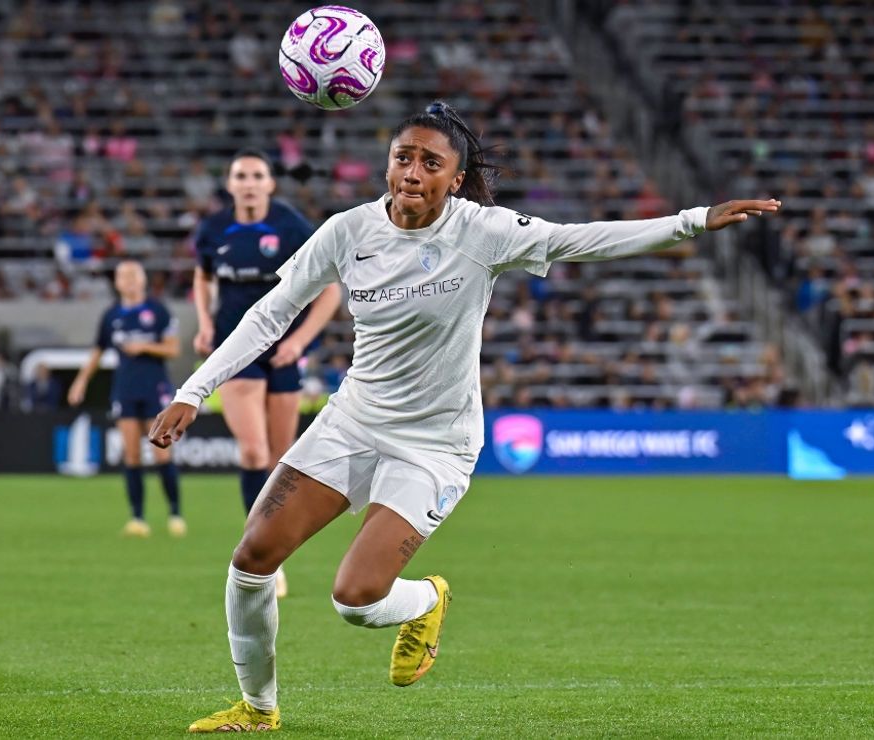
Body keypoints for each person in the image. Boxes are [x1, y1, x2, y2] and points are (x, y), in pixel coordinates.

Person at [151, 101, 781, 732]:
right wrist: (195, 388)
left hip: (435, 444)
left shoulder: (481, 232)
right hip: (353, 421)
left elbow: (577, 240)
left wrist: (693, 221)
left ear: (455, 179)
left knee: (355, 600)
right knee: (251, 558)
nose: (412, 173)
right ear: (387, 163)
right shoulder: (348, 232)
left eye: (431, 162)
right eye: (403, 157)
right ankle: (257, 710)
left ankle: (428, 598)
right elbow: (269, 312)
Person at [193, 149, 343, 596]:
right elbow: (201, 277)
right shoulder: (214, 229)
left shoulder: (291, 226)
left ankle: (270, 553)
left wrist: (299, 342)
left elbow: (330, 288)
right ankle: (257, 558)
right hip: (237, 352)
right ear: (230, 183)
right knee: (254, 452)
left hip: (281, 353)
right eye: (241, 175)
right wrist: (204, 322)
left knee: (281, 461)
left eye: (258, 175)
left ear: (271, 183)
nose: (250, 182)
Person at [69, 260, 184, 537]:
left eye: (134, 274)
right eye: (123, 275)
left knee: (161, 452)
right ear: (117, 282)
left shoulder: (157, 311)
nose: (129, 279)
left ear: (143, 279)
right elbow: (97, 350)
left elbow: (173, 349)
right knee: (131, 454)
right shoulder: (111, 315)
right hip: (125, 389)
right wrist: (81, 381)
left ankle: (175, 513)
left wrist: (144, 346)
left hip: (154, 388)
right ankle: (137, 518)